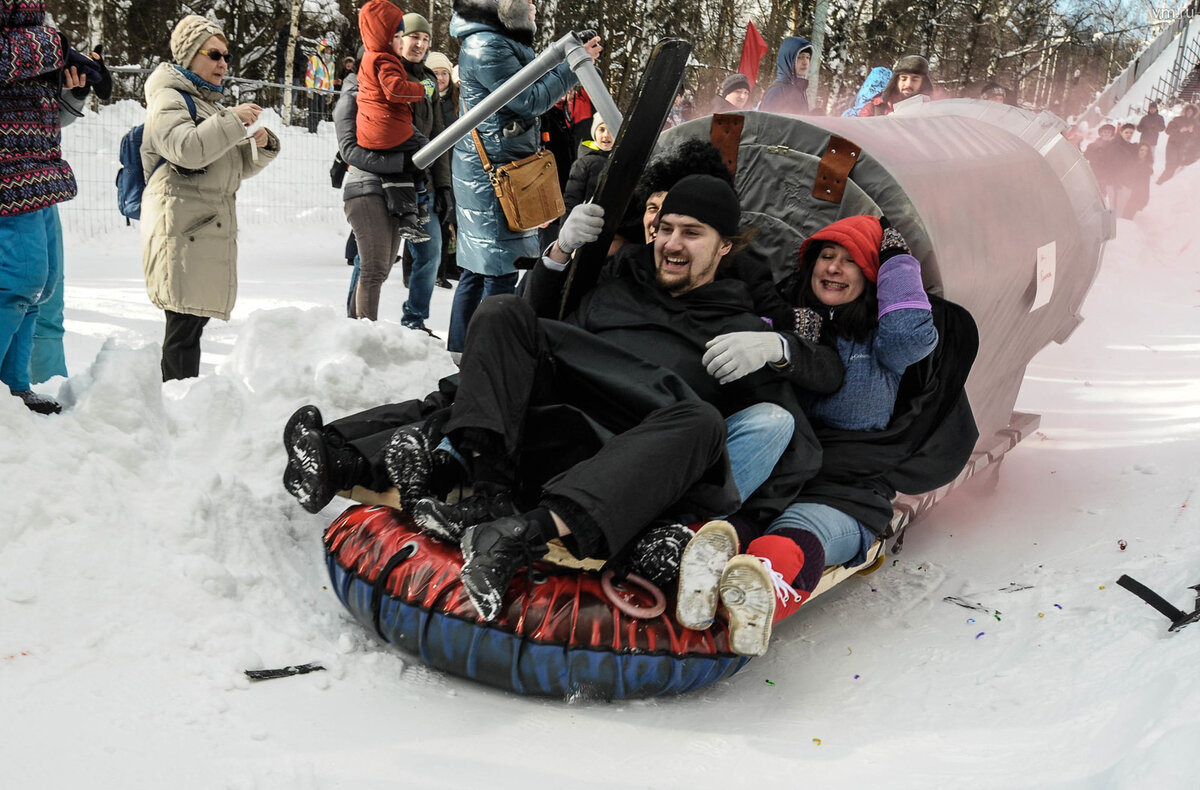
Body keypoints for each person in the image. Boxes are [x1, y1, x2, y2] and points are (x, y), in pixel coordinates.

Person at [676, 215, 973, 657]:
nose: (833, 268)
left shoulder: (882, 345)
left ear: (870, 275)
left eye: (852, 261)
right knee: (734, 527)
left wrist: (897, 258)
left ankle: (759, 596)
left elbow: (911, 333)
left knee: (786, 539)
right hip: (778, 475)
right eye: (827, 256)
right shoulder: (788, 321)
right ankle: (693, 574)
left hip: (843, 487)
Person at [446, 0, 602, 358]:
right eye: (527, 0)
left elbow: (530, 80)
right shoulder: (487, 45)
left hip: (493, 169)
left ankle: (462, 348)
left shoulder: (496, 40)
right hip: (494, 175)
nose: (534, 6)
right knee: (500, 268)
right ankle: (489, 352)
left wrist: (568, 50)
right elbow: (528, 99)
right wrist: (572, 68)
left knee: (480, 264)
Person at [140, 15, 280, 381]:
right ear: (188, 56)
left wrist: (258, 148)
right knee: (183, 328)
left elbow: (225, 167)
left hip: (200, 229)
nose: (223, 64)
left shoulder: (206, 104)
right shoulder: (168, 98)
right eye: (214, 54)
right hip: (182, 230)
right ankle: (176, 406)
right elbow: (186, 150)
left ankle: (182, 404)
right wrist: (232, 121)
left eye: (226, 57)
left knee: (192, 324)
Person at [1, 1, 102, 414]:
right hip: (7, 176)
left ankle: (14, 387)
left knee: (41, 286)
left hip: (36, 172)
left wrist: (71, 89)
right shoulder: (41, 35)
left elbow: (32, 109)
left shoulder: (35, 23)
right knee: (18, 281)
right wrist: (54, 45)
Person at [355, 0, 433, 241]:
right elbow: (395, 91)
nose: (401, 41)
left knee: (399, 165)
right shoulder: (386, 60)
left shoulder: (368, 58)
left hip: (372, 130)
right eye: (399, 36)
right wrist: (421, 90)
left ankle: (410, 212)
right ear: (385, 37)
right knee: (423, 152)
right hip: (388, 127)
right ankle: (417, 204)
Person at [427, 50, 459, 288]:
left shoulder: (456, 99)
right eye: (436, 73)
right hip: (433, 165)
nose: (440, 78)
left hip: (454, 164)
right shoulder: (426, 98)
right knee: (433, 218)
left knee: (452, 219)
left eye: (444, 73)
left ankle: (449, 267)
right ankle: (431, 270)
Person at [562, 115, 613, 213]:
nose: (606, 135)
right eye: (601, 130)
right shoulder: (584, 163)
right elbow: (571, 200)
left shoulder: (623, 159)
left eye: (611, 130)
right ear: (594, 132)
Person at [858, 55, 932, 117]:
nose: (908, 84)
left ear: (923, 83)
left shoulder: (932, 112)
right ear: (896, 80)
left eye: (915, 79)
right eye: (903, 78)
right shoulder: (873, 110)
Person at [759, 37, 813, 116]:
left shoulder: (798, 89)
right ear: (788, 59)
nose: (805, 62)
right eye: (800, 57)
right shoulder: (778, 91)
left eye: (808, 57)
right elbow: (767, 125)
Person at [1158, 104, 1198, 184]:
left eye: (1191, 112)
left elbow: (1196, 136)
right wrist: (1179, 130)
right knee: (1170, 164)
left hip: (1183, 147)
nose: (1189, 113)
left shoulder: (1194, 124)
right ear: (1185, 111)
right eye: (1188, 111)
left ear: (1194, 113)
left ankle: (1166, 183)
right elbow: (1168, 131)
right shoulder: (1177, 119)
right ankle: (1160, 182)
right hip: (1172, 144)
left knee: (1178, 165)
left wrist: (1191, 131)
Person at [304, 36, 336, 133]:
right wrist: (309, 90)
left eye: (330, 49)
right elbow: (310, 74)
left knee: (320, 113)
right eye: (326, 49)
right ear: (322, 49)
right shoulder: (315, 59)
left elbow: (331, 78)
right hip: (314, 90)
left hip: (324, 91)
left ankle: (317, 131)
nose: (328, 51)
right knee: (313, 112)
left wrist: (330, 93)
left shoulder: (331, 62)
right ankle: (312, 131)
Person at [1085, 123, 1118, 204]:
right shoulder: (1093, 145)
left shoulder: (1115, 147)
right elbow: (1085, 156)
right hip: (1094, 173)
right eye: (1104, 131)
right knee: (1092, 194)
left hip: (1107, 176)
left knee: (1103, 196)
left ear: (1112, 134)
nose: (1106, 134)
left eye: (1108, 132)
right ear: (1101, 133)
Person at [1120, 142, 1153, 219]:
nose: (1143, 153)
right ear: (1137, 150)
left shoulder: (1146, 168)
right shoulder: (1130, 161)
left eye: (1146, 151)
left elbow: (1145, 185)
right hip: (1125, 191)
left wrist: (1145, 198)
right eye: (1141, 150)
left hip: (1136, 194)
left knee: (1128, 214)